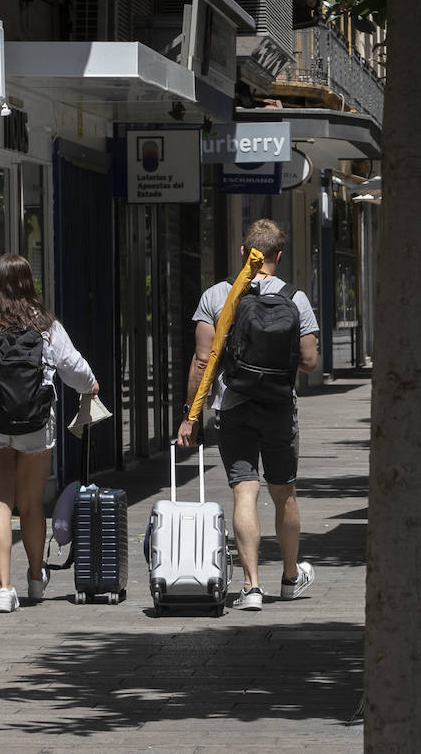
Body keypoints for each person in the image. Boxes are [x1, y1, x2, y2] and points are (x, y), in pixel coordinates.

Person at [177, 219, 320, 611]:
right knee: (284, 492)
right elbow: (309, 363)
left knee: (244, 489)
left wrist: (191, 415)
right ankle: (290, 578)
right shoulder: (296, 298)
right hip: (278, 407)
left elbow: (203, 360)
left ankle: (251, 586)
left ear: (244, 253)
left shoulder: (218, 296)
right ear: (279, 255)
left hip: (233, 405)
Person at [0, 254, 98, 613]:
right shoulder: (45, 325)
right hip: (35, 425)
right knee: (31, 504)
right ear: (29, 283)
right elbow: (73, 366)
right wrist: (91, 386)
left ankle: (4, 589)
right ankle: (35, 578)